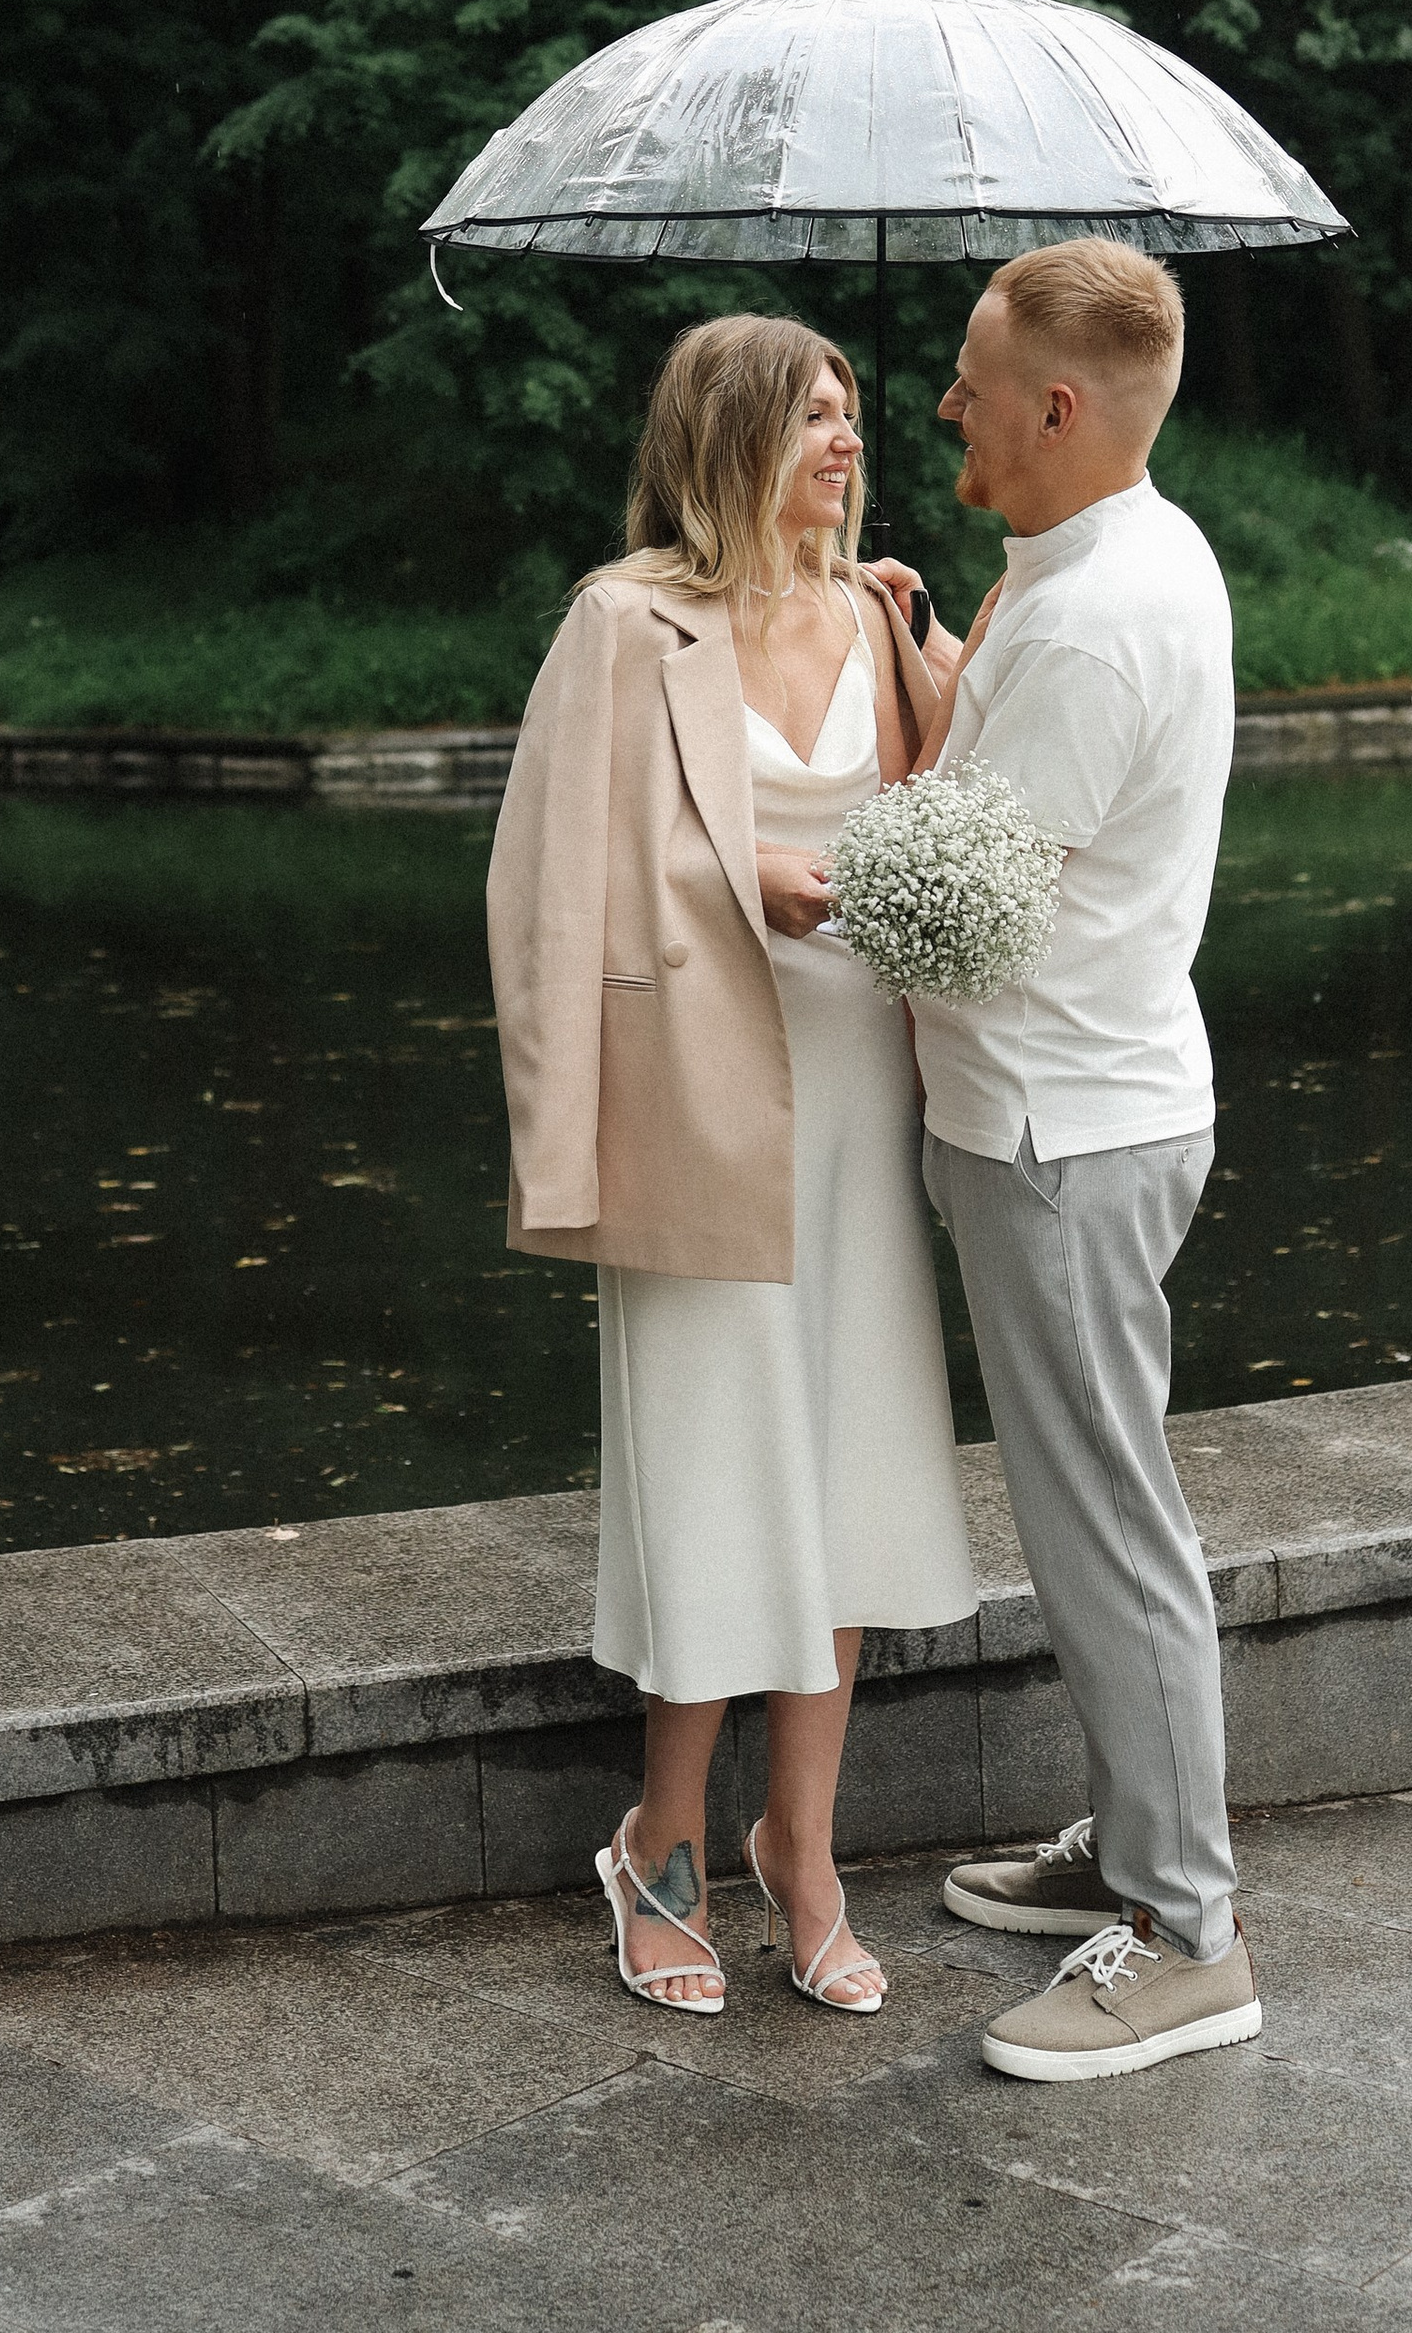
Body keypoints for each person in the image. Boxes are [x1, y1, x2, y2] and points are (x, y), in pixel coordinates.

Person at [486, 314, 978, 2022]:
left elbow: (957, 833)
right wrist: (740, 875)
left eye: (853, 413)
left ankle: (807, 1848)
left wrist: (948, 661)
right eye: (812, 414)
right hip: (695, 1105)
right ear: (726, 437)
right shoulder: (626, 625)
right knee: (714, 1475)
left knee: (850, 1460)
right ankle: (662, 1843)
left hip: (862, 1095)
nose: (848, 439)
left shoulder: (877, 609)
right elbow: (551, 884)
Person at [910, 240, 1263, 2085]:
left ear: (1060, 406)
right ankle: (1131, 1846)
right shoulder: (1101, 563)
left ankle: (1188, 1931)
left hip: (1063, 1128)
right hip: (1082, 1107)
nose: (943, 402)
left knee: (1110, 1530)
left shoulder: (1105, 606)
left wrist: (773, 884)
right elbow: (1037, 787)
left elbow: (958, 909)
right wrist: (949, 668)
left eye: (971, 378)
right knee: (1089, 1515)